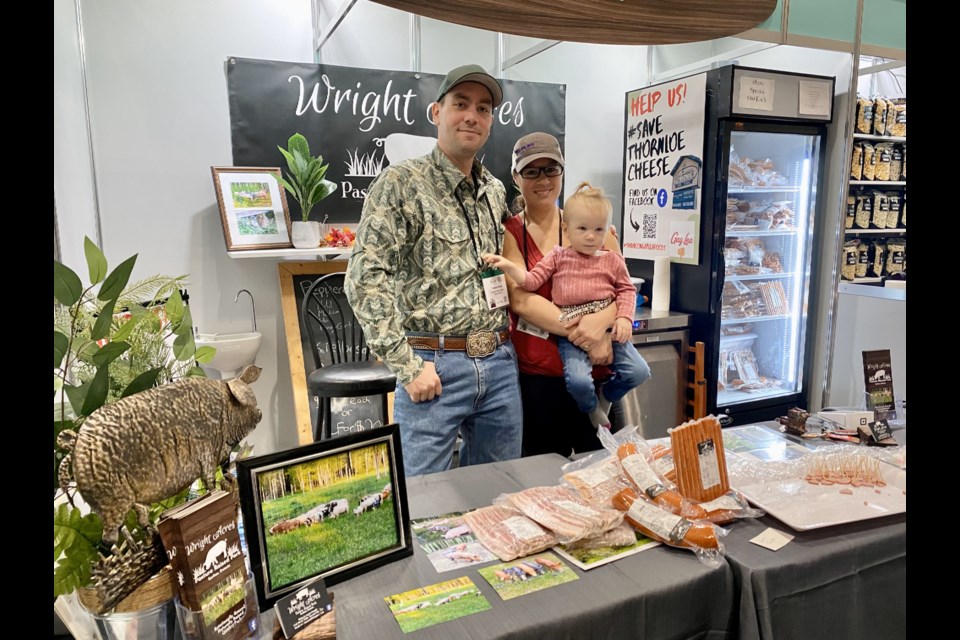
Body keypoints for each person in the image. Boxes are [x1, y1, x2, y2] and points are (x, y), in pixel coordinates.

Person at [345, 64, 522, 476]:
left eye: (483, 108)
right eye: (460, 104)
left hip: (498, 363)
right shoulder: (400, 183)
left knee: (499, 497)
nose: (471, 116)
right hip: (433, 366)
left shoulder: (494, 191)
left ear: (491, 121)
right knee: (424, 505)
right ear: (436, 112)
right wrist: (407, 366)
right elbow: (364, 280)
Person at [497, 132, 633, 456]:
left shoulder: (591, 224)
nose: (542, 179)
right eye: (532, 171)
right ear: (517, 177)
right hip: (540, 382)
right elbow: (521, 300)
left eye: (551, 169)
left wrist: (602, 325)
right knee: (543, 481)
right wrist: (587, 331)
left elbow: (622, 288)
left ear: (562, 172)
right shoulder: (510, 232)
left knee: (602, 477)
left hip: (598, 376)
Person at [485, 180, 651, 429]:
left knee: (639, 372)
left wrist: (619, 320)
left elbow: (626, 290)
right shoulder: (555, 254)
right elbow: (527, 286)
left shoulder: (611, 258)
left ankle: (605, 398)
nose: (590, 236)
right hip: (548, 364)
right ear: (567, 229)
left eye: (598, 229)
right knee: (579, 384)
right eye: (582, 228)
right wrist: (509, 267)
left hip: (607, 344)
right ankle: (592, 408)